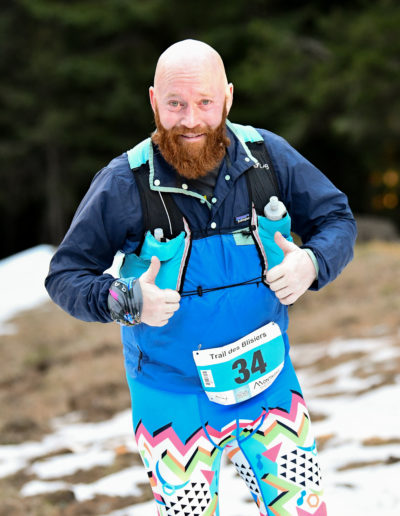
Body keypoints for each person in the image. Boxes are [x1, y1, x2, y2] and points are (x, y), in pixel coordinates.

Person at [45, 39, 356, 516]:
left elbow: (337, 218)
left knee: (303, 510)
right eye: (176, 104)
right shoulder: (123, 181)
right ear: (154, 101)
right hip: (171, 396)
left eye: (205, 102)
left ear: (227, 97)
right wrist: (126, 299)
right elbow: (65, 275)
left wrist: (312, 262)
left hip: (268, 383)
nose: (191, 119)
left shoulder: (266, 157)